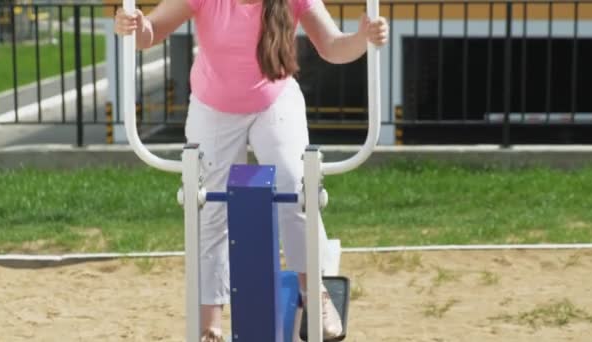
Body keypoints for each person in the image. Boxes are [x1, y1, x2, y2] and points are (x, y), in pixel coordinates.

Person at [114, 0, 388, 340]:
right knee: (211, 209)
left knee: (297, 194)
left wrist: (363, 38)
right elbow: (151, 32)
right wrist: (135, 27)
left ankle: (315, 296)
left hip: (274, 100)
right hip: (213, 106)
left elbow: (332, 46)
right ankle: (210, 323)